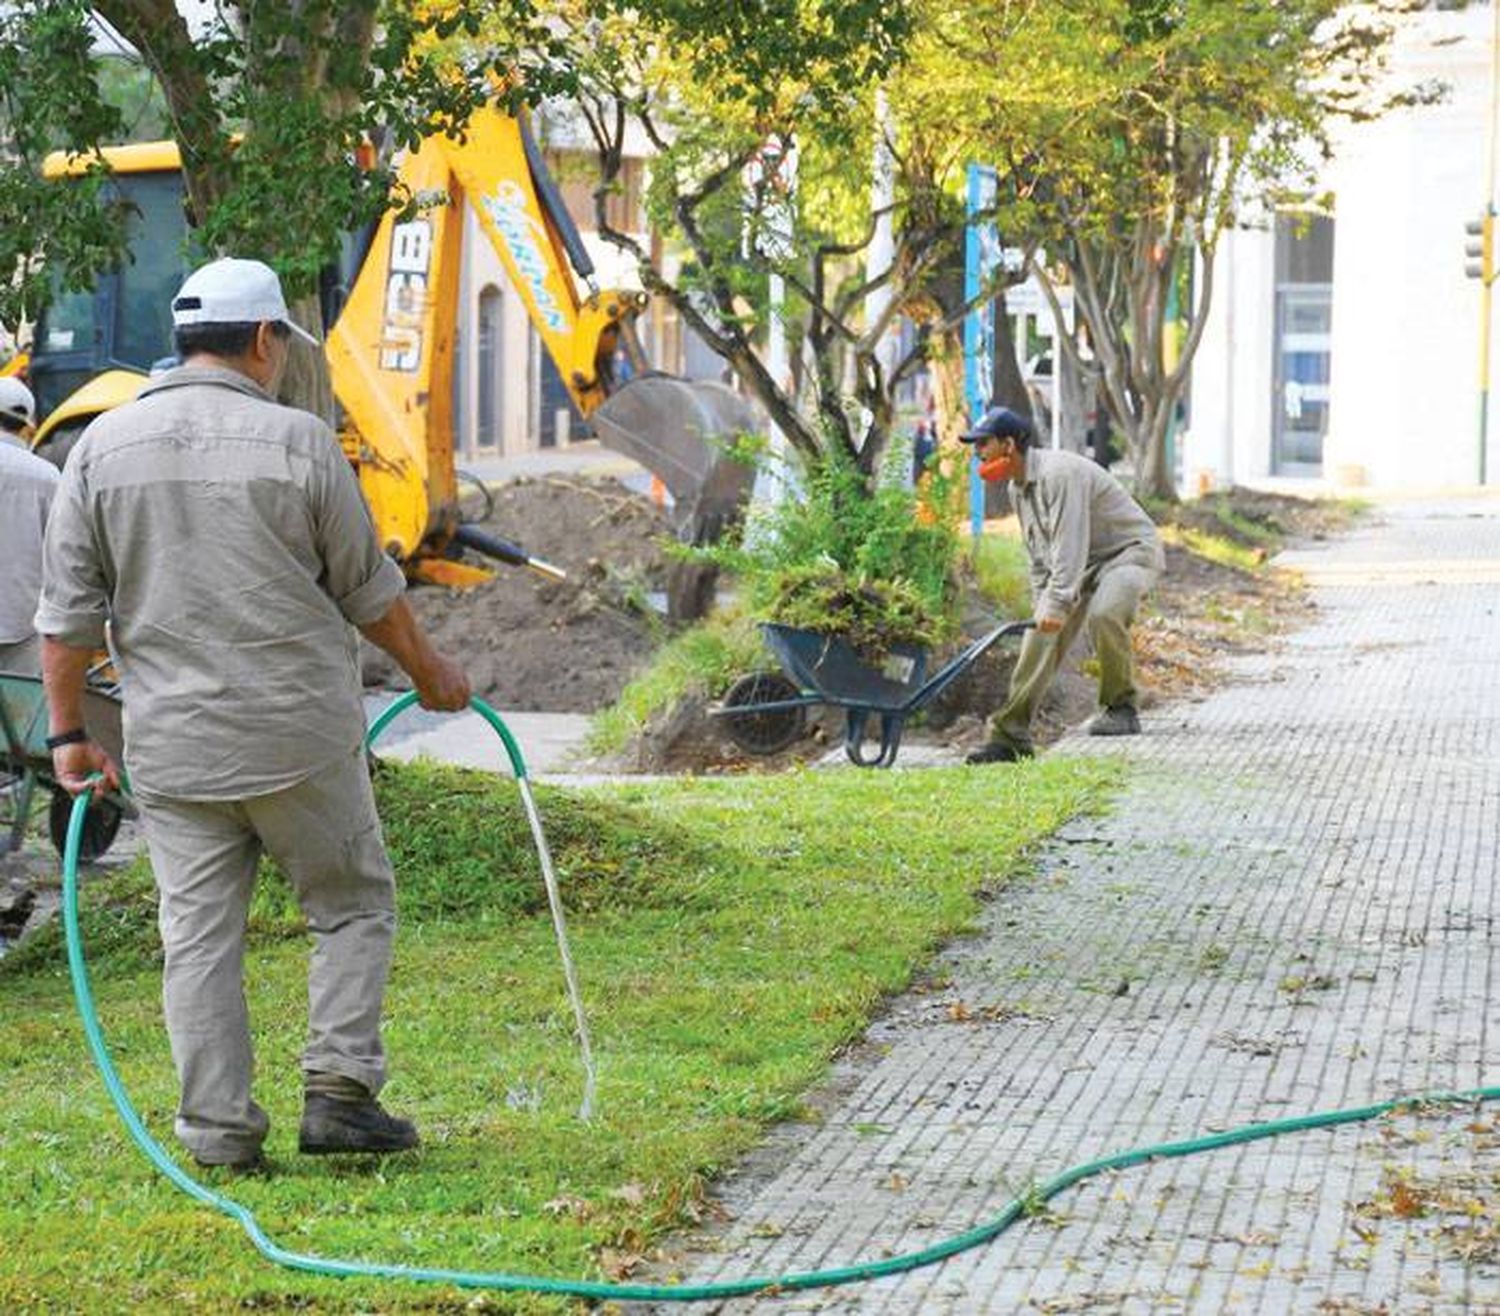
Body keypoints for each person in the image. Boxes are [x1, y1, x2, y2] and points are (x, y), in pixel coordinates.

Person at [35, 257, 471, 1169]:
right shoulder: (301, 442)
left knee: (196, 939)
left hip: (174, 749)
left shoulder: (98, 448)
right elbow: (370, 595)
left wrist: (71, 736)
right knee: (351, 906)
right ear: (266, 340)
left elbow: (66, 624)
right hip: (298, 738)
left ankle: (219, 1134)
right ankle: (340, 1094)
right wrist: (431, 673)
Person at [961, 405, 1163, 765]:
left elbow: (1068, 547)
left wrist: (1056, 604)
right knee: (1040, 634)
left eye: (983, 444)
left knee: (1104, 612)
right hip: (1083, 562)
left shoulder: (1059, 475)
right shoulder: (1017, 489)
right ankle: (1010, 736)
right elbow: (1040, 561)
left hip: (1128, 552)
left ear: (1008, 445)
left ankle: (1120, 708)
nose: (978, 453)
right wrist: (1045, 608)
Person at [0, 376, 58, 677]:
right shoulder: (48, 477)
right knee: (21, 722)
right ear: (27, 424)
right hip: (27, 629)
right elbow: (65, 554)